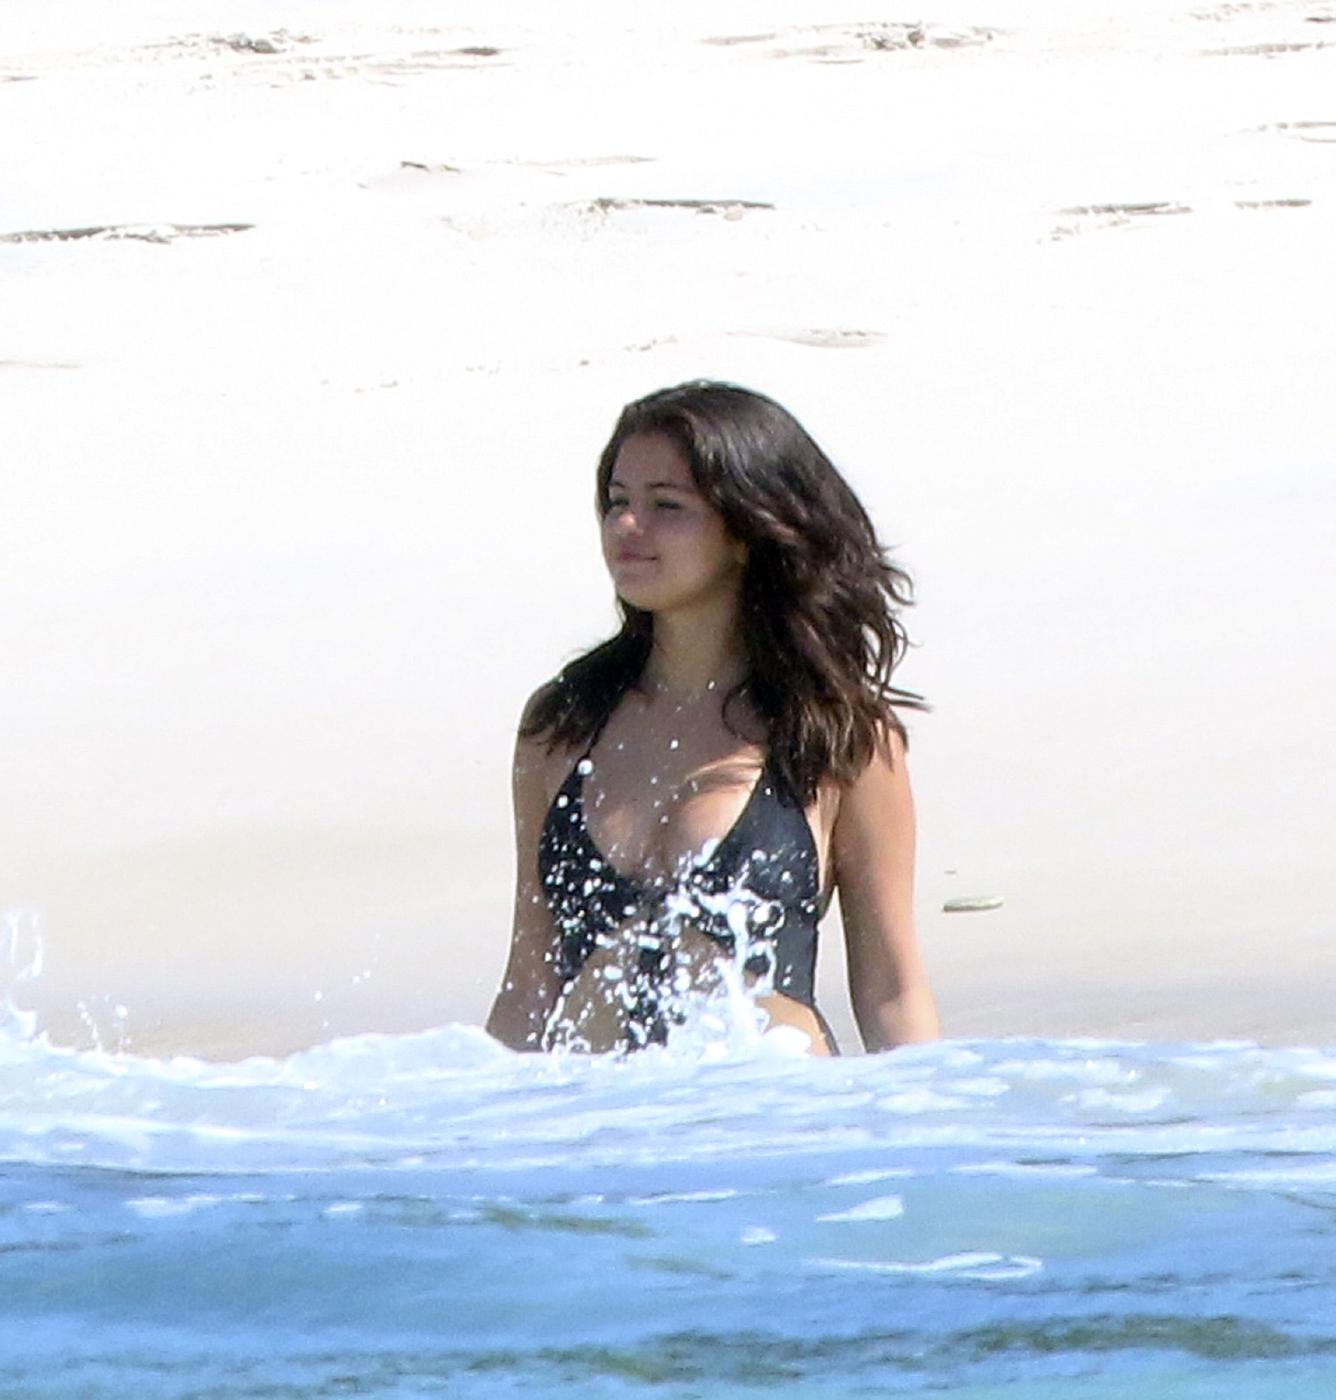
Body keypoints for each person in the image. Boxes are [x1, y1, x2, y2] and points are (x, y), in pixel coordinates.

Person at [486, 381, 939, 1055]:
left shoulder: (840, 736)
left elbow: (891, 991)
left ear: (748, 531)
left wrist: (927, 1113)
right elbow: (530, 985)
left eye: (666, 506)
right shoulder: (563, 723)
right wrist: (479, 1112)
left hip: (777, 1111)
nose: (626, 527)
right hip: (597, 1112)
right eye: (618, 502)